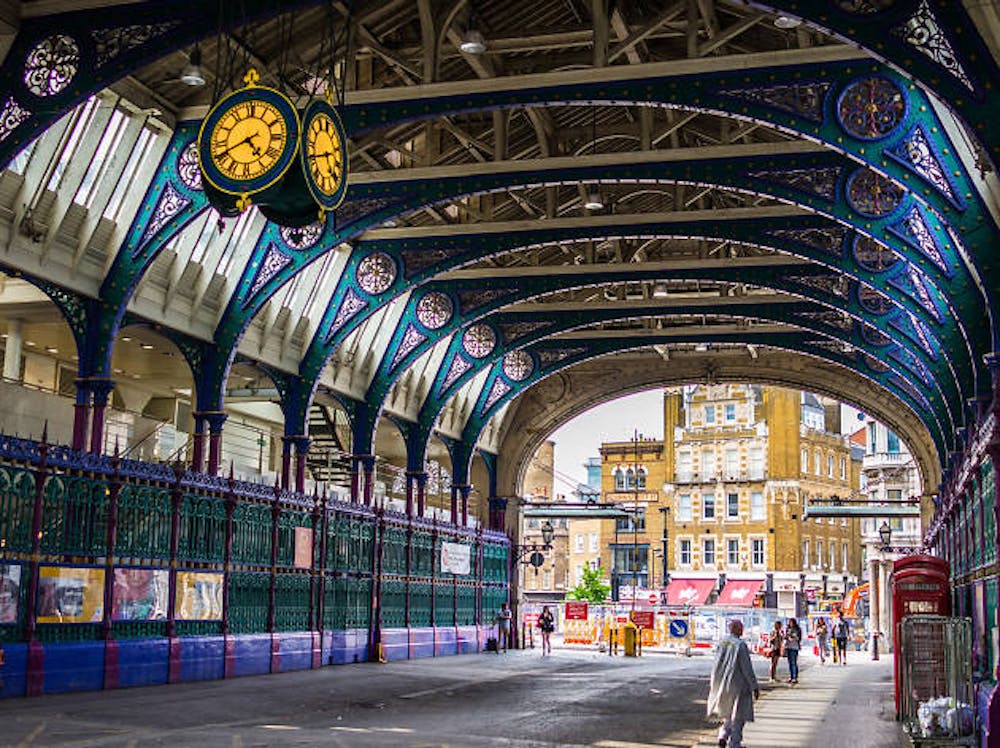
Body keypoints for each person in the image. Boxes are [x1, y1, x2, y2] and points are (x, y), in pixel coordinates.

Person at [707, 619, 760, 748]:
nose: (742, 630)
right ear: (736, 629)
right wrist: (754, 686)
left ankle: (723, 736)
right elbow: (747, 668)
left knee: (727, 712)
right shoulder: (740, 645)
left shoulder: (722, 643)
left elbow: (716, 664)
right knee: (738, 715)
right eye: (741, 628)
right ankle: (735, 743)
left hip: (722, 683)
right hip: (738, 684)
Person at [784, 618, 802, 684]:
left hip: (794, 647)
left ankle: (794, 677)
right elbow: (786, 637)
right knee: (790, 663)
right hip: (788, 646)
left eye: (791, 622)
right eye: (790, 622)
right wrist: (786, 636)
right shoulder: (788, 629)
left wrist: (792, 636)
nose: (790, 624)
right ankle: (791, 676)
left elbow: (797, 638)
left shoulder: (797, 629)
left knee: (794, 662)